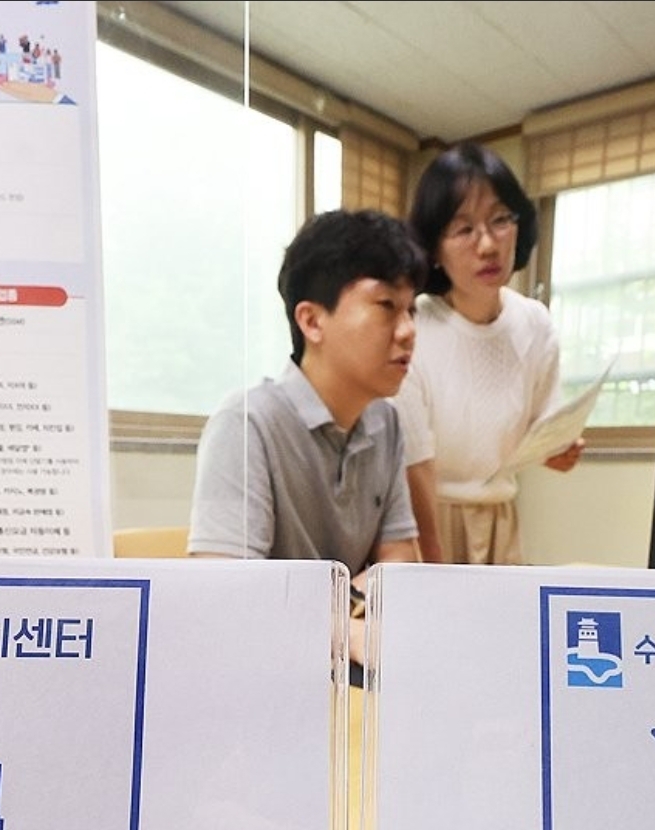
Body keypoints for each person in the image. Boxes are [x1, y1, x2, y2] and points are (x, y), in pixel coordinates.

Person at [188, 208, 426, 657]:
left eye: (411, 309)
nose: (409, 331)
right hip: (264, 667)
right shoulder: (246, 424)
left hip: (342, 665)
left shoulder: (387, 422)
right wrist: (346, 632)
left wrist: (337, 614)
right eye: (386, 307)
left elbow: (400, 560)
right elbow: (224, 596)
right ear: (312, 321)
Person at [397, 142, 584, 565]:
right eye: (463, 230)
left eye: (500, 220)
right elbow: (411, 462)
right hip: (425, 519)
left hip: (501, 518)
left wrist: (557, 450)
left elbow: (540, 430)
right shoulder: (414, 326)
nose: (486, 245)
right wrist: (431, 563)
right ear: (434, 247)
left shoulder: (534, 323)